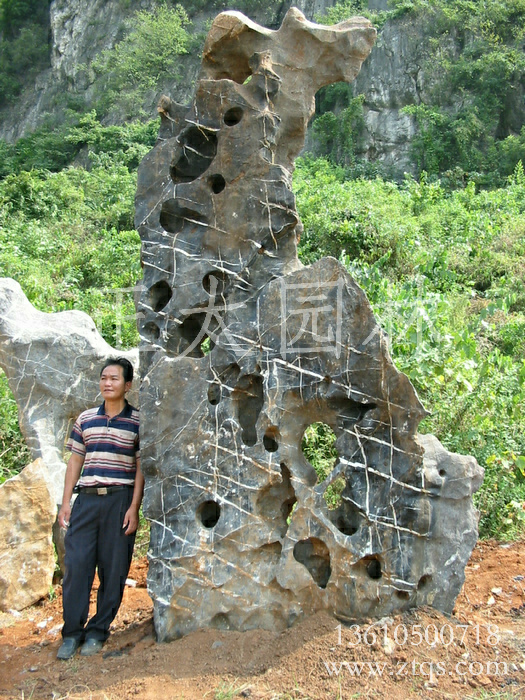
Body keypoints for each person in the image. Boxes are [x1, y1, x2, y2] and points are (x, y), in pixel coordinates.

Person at [56, 357, 143, 660]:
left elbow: (141, 468)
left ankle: (97, 631)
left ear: (127, 385)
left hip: (119, 499)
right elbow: (75, 462)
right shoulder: (85, 419)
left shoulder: (137, 422)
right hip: (87, 500)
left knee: (113, 567)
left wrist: (134, 507)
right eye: (104, 378)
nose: (107, 383)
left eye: (114, 379)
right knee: (77, 566)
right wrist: (66, 502)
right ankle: (71, 633)